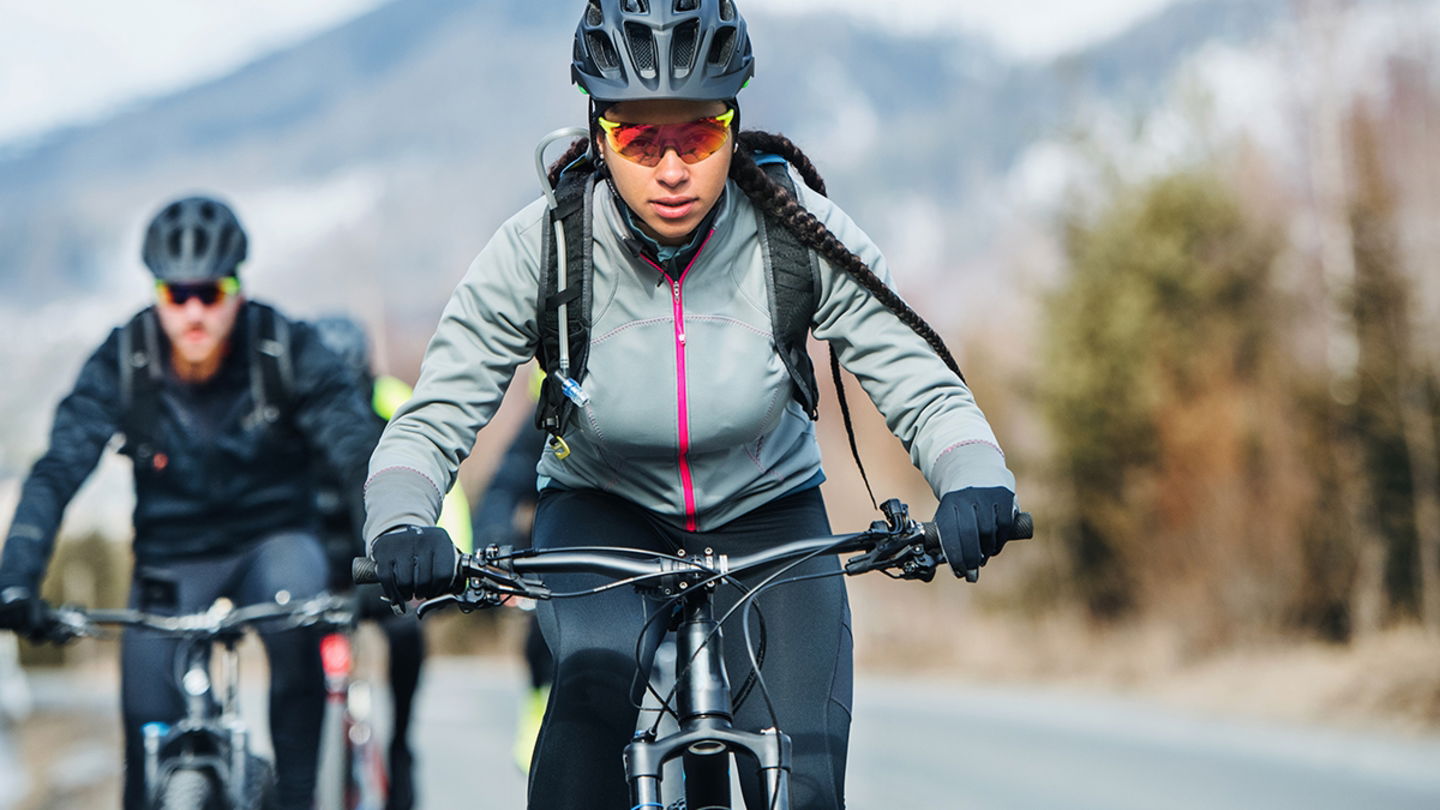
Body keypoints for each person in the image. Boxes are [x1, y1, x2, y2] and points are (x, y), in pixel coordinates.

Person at [361, 2, 1020, 808]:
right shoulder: (545, 247)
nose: (671, 169)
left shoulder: (795, 233)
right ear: (598, 133)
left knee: (805, 777)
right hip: (603, 513)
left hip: (767, 514)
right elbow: (433, 415)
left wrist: (973, 478)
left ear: (734, 125)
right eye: (639, 139)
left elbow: (915, 374)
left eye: (698, 136)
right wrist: (401, 521)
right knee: (582, 732)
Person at [0, 196, 380, 810]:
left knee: (296, 637)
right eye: (179, 295)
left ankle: (300, 796)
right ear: (156, 294)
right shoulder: (123, 360)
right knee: (143, 748)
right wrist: (16, 576)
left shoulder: (282, 346)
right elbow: (57, 469)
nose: (196, 311)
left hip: (275, 539)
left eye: (213, 290)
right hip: (171, 559)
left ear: (237, 287)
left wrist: (382, 546)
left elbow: (355, 447)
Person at [309, 314, 474, 810]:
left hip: (376, 563)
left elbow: (447, 494)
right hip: (319, 566)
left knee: (405, 633)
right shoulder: (300, 410)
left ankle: (401, 745)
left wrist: (450, 564)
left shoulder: (394, 402)